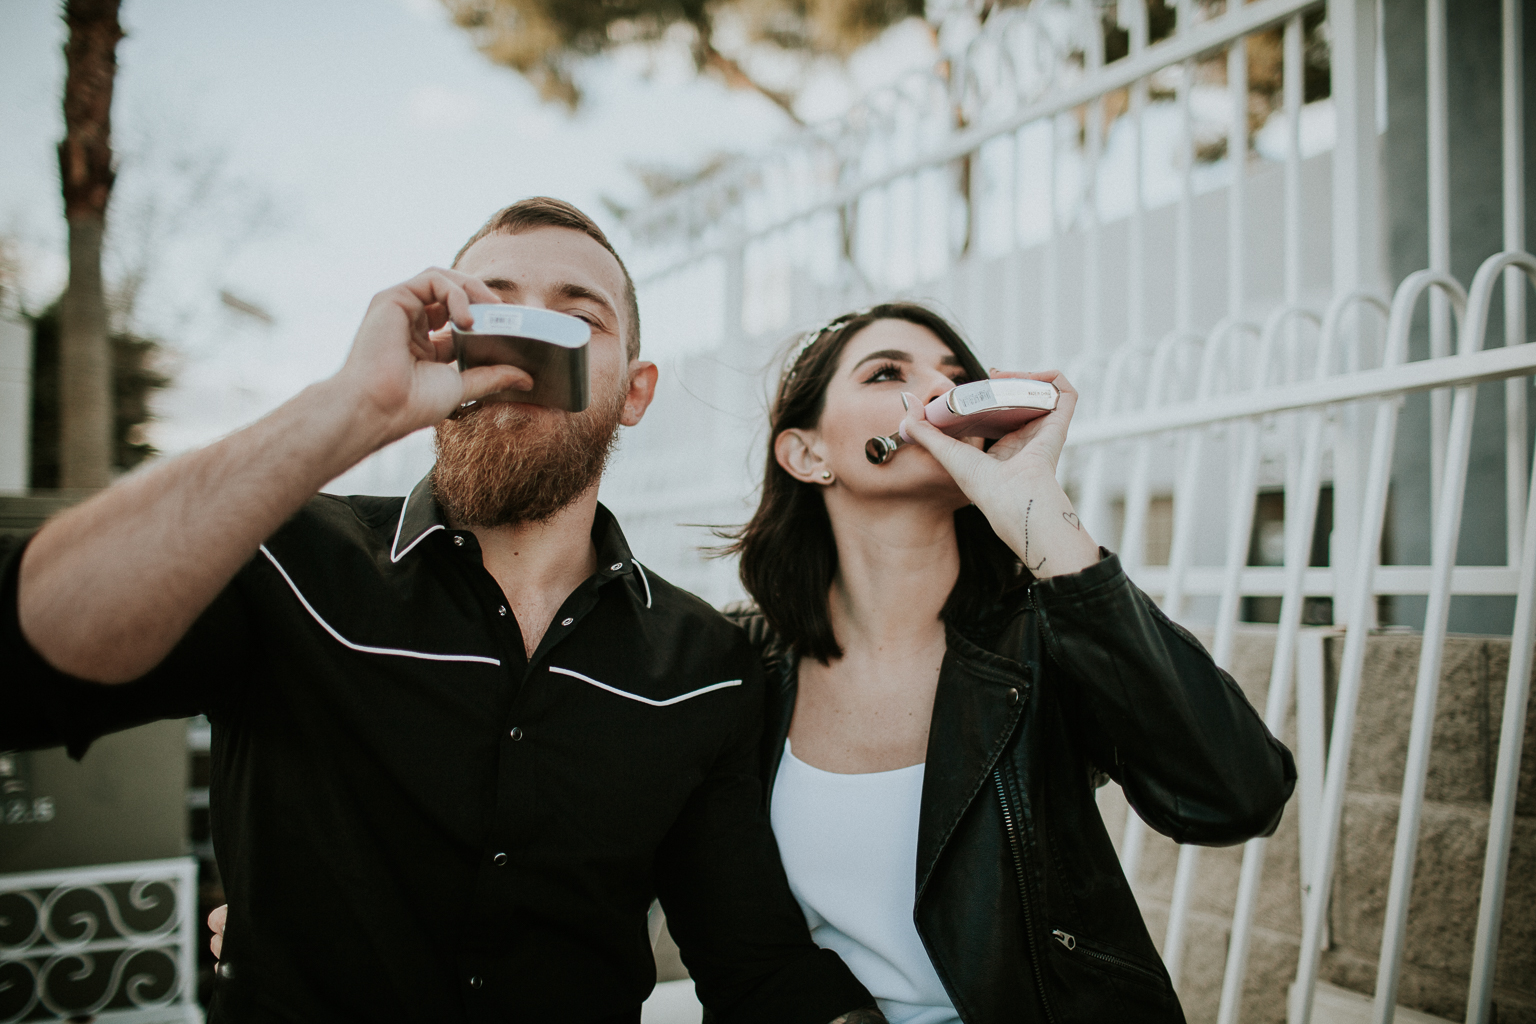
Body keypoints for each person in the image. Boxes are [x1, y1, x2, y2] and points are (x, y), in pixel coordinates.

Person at [0, 199, 884, 1024]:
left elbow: (757, 971)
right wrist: (356, 405)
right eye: (487, 310)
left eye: (576, 320)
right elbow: (24, 658)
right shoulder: (287, 556)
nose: (525, 338)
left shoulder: (702, 661)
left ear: (636, 391)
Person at [719, 303, 1297, 1023]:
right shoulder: (742, 663)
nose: (937, 386)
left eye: (956, 375)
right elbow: (731, 925)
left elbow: (1237, 797)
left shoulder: (1040, 640)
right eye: (888, 372)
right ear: (806, 455)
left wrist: (1034, 506)